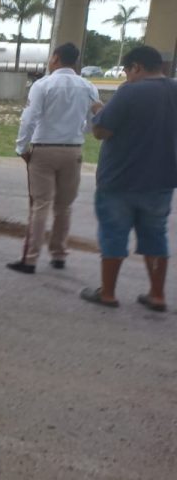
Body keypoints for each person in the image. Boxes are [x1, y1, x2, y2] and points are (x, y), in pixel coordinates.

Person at [81, 45, 177, 310]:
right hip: (162, 179)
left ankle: (108, 293)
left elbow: (101, 131)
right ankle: (157, 295)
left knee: (114, 234)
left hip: (120, 178)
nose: (125, 76)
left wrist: (98, 111)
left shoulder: (130, 91)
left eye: (126, 71)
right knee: (156, 236)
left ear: (136, 67)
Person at [7, 42, 102, 274]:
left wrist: (22, 147)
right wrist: (76, 131)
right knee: (64, 206)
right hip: (73, 150)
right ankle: (59, 254)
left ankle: (30, 259)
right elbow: (93, 121)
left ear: (56, 58)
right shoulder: (88, 87)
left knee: (40, 205)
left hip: (44, 149)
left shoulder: (43, 85)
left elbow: (29, 118)